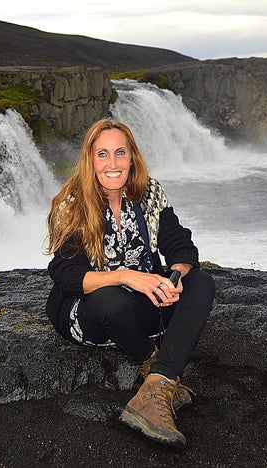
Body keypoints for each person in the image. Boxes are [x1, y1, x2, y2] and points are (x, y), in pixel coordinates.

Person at [45, 117, 216, 448]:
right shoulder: (73, 203)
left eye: (120, 153)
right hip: (91, 312)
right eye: (103, 154)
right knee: (114, 299)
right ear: (90, 159)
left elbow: (179, 243)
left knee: (202, 283)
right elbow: (65, 273)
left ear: (132, 157)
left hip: (142, 309)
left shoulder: (150, 192)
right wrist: (126, 277)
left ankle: (157, 385)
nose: (113, 163)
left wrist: (176, 276)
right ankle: (149, 360)